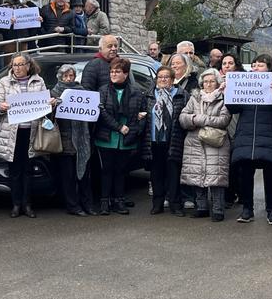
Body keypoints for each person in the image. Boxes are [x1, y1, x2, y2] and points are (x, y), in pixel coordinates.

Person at [228, 55, 272, 225]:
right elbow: (233, 108)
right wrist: (229, 93)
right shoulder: (245, 83)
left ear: (269, 68)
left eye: (260, 65)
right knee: (245, 174)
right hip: (246, 136)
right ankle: (247, 209)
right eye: (254, 65)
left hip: (269, 136)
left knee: (271, 175)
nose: (255, 68)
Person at [0, 53, 52, 218]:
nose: (17, 68)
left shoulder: (39, 81)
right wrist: (2, 106)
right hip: (12, 133)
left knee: (27, 169)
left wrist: (49, 103)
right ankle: (16, 204)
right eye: (14, 65)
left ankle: (27, 204)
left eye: (20, 65)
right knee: (15, 170)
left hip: (30, 132)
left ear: (28, 65)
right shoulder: (4, 82)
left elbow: (44, 104)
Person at [95, 57, 149, 215]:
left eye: (117, 71)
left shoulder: (137, 92)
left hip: (127, 138)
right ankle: (104, 201)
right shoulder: (103, 91)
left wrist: (133, 131)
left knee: (120, 171)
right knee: (106, 171)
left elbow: (142, 115)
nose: (113, 74)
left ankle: (119, 200)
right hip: (107, 137)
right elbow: (102, 113)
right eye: (111, 71)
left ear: (126, 74)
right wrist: (119, 127)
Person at [179, 69, 231, 221]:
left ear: (218, 83)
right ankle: (201, 207)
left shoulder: (224, 98)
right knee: (197, 175)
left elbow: (223, 120)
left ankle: (218, 210)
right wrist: (197, 119)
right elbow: (183, 117)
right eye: (206, 81)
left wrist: (198, 119)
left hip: (216, 142)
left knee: (216, 179)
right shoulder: (194, 98)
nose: (208, 84)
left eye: (212, 81)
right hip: (195, 142)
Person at [49, 64, 95, 216]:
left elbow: (90, 113)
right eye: (66, 76)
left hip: (82, 139)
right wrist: (53, 106)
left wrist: (96, 107)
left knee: (84, 175)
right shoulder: (54, 93)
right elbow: (47, 119)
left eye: (71, 76)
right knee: (68, 176)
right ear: (60, 77)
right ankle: (73, 205)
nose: (69, 79)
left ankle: (87, 204)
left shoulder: (82, 92)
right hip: (64, 139)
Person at [146, 67, 188, 216]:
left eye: (166, 77)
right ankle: (157, 204)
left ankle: (175, 204)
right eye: (160, 77)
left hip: (174, 140)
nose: (163, 80)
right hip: (155, 141)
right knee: (156, 174)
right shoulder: (150, 95)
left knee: (173, 174)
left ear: (172, 79)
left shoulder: (181, 95)